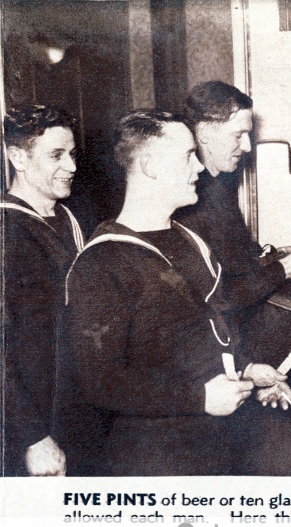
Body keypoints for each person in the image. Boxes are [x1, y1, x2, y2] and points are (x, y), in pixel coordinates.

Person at [61, 110, 291, 476]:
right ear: (150, 166)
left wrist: (246, 369)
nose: (199, 168)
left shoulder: (190, 239)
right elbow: (98, 382)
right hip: (156, 458)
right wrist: (200, 398)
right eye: (187, 155)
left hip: (218, 445)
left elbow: (202, 327)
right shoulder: (103, 261)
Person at [177, 81, 291, 313]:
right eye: (238, 135)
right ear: (205, 133)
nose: (247, 146)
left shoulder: (216, 186)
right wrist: (285, 269)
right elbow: (214, 298)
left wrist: (271, 257)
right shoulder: (189, 198)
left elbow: (232, 264)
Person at [2, 104, 85, 476]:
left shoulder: (68, 218)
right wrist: (32, 437)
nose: (71, 166)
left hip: (76, 415)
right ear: (17, 157)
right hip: (31, 431)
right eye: (56, 155)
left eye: (72, 154)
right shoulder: (7, 230)